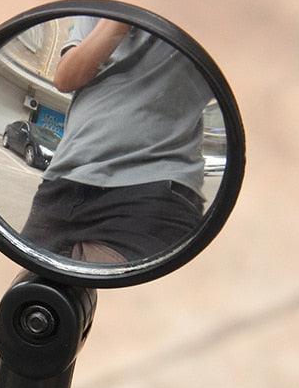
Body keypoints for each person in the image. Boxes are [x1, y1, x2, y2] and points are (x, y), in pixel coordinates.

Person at [21, 17, 214, 263]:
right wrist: (120, 17)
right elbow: (66, 78)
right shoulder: (101, 8)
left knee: (114, 288)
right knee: (28, 286)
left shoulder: (210, 11)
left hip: (152, 186)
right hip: (63, 178)